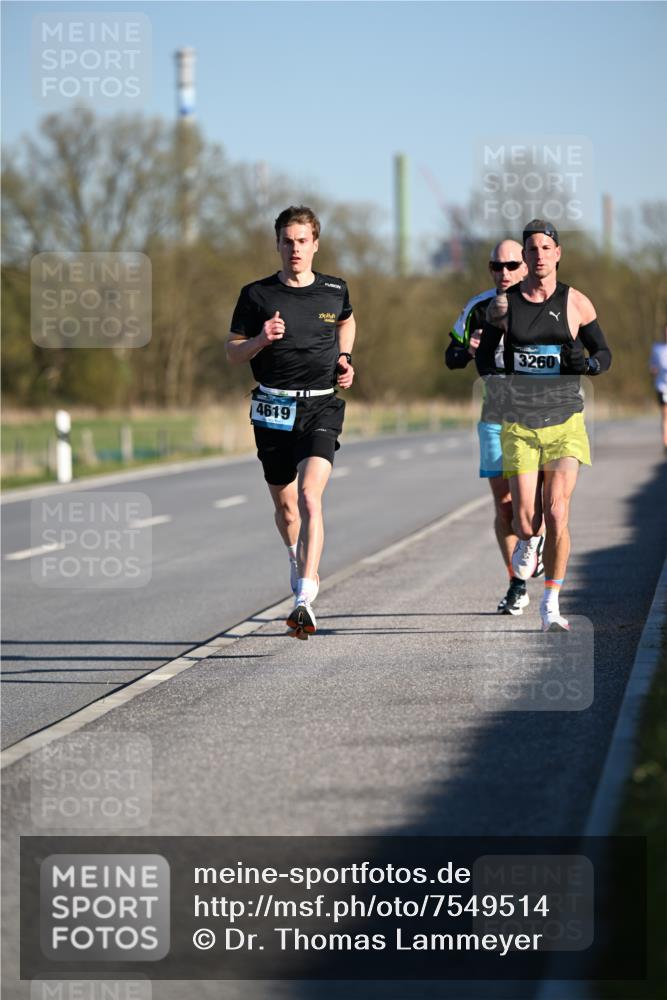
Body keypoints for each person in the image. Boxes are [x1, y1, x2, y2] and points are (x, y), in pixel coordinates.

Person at [226, 206, 355, 638]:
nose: (294, 249)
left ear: (315, 244)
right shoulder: (256, 295)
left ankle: (305, 595)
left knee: (310, 497)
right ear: (277, 245)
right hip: (272, 410)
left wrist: (344, 357)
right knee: (286, 509)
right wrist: (261, 339)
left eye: (302, 241)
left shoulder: (334, 289)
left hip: (320, 406)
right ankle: (294, 559)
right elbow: (232, 352)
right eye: (287, 241)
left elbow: (347, 320)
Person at [476, 220, 612, 632]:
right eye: (531, 249)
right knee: (525, 522)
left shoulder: (576, 302)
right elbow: (484, 357)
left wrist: (588, 365)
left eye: (545, 248)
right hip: (520, 424)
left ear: (558, 253)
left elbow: (604, 353)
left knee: (557, 511)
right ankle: (528, 541)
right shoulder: (503, 306)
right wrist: (497, 381)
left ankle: (551, 603)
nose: (538, 255)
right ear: (525, 256)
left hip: (565, 422)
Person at [446, 240, 544, 615]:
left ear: (526, 267)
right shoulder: (478, 307)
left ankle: (536, 545)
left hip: (537, 416)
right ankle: (517, 584)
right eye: (496, 266)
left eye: (511, 265)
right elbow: (451, 357)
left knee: (533, 505)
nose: (504, 272)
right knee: (505, 507)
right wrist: (469, 350)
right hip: (495, 415)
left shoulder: (543, 304)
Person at [649, 325, 667, 453]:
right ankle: (666, 442)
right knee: (665, 414)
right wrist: (654, 370)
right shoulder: (657, 348)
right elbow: (652, 366)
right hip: (662, 387)